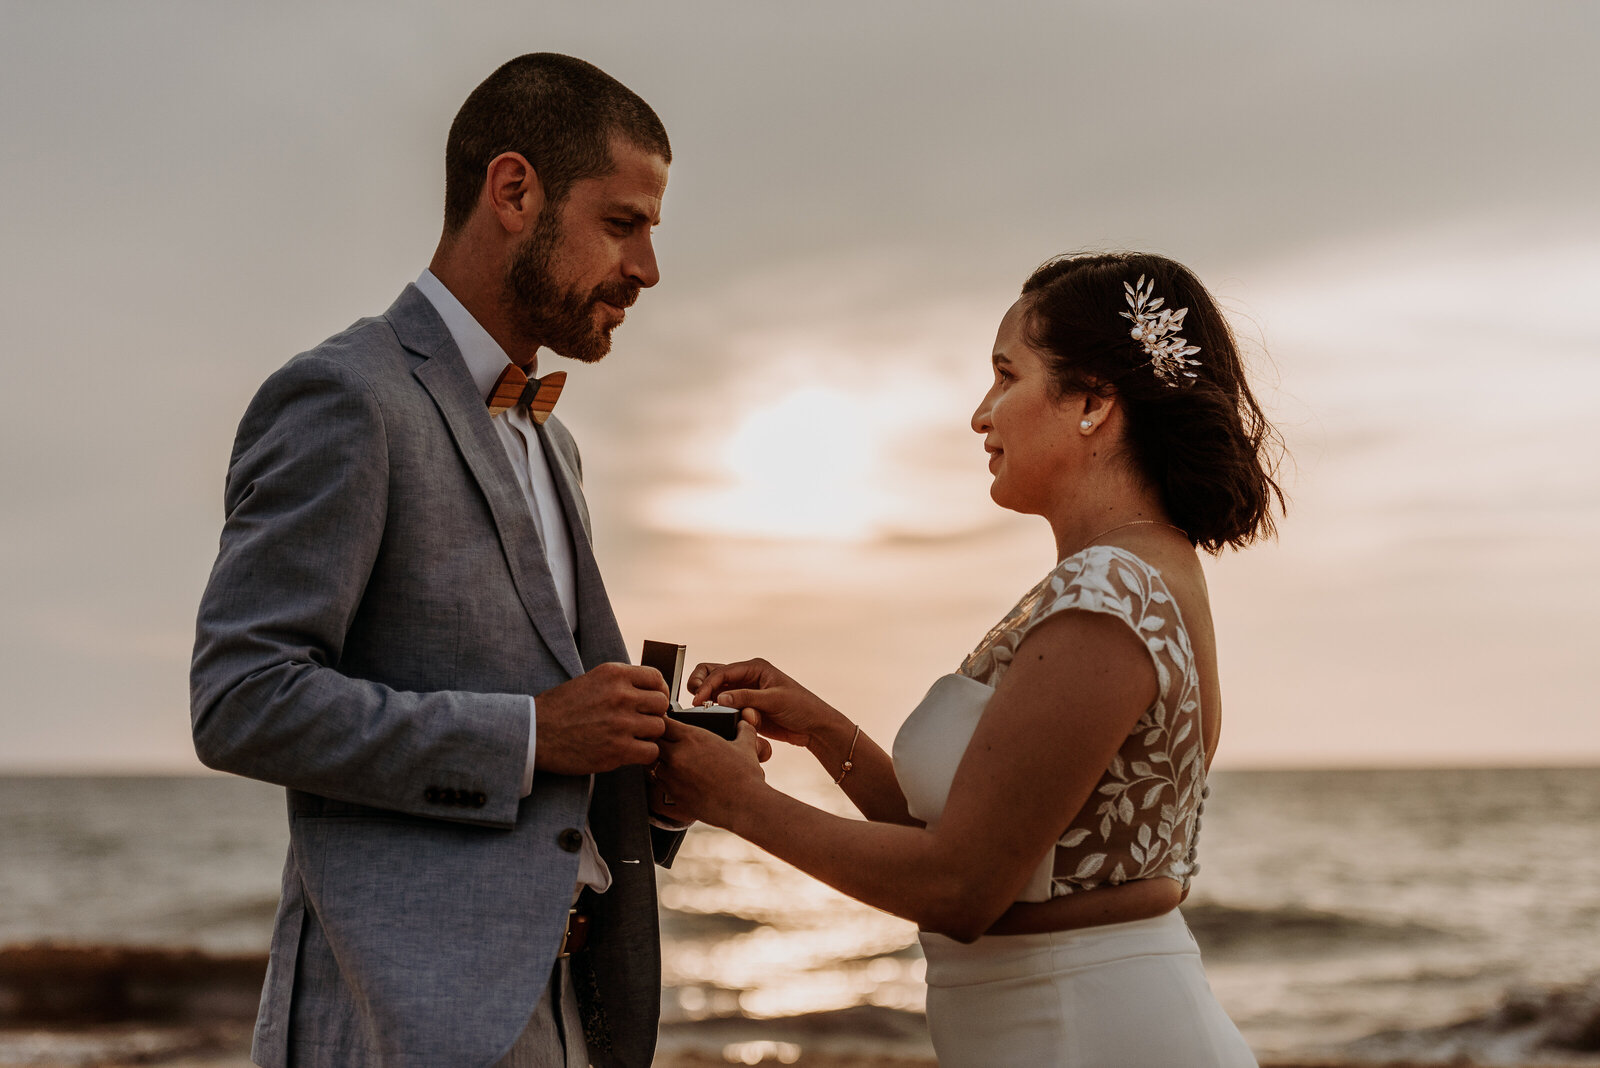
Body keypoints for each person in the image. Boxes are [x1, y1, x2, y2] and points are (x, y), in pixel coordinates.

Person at [653, 252, 1283, 1066]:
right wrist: (821, 728)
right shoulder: (1129, 572)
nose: (980, 416)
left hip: (1087, 1033)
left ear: (1092, 400)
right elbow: (983, 843)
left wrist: (736, 801)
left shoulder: (1107, 596)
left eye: (1004, 376)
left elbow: (962, 888)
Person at [191, 54, 682, 1068]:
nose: (645, 271)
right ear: (515, 192)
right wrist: (532, 734)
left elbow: (555, 753)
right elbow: (241, 696)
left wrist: (652, 772)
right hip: (396, 1022)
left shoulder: (555, 443)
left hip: (562, 1011)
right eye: (623, 224)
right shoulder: (344, 396)